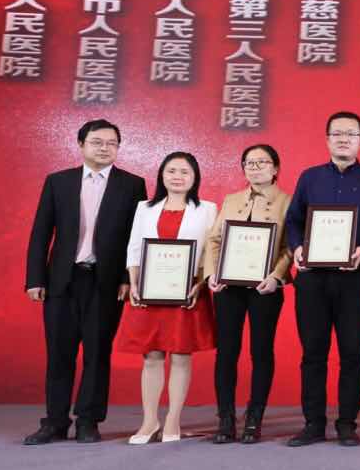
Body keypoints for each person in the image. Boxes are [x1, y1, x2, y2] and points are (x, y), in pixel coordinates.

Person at [22, 119, 146, 445]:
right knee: (59, 354)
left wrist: (127, 277)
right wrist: (35, 278)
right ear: (81, 145)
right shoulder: (58, 182)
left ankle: (89, 421)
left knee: (98, 353)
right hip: (62, 281)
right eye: (97, 142)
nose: (104, 148)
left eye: (111, 143)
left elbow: (136, 237)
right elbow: (41, 232)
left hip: (106, 283)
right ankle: (55, 422)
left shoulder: (132, 185)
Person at [282, 111, 360, 447]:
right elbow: (294, 220)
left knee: (352, 352)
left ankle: (346, 424)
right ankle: (313, 423)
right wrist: (298, 248)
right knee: (313, 352)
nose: (344, 139)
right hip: (312, 278)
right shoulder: (310, 178)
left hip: (353, 277)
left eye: (351, 134)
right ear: (327, 139)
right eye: (337, 133)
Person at [120, 152, 218, 444]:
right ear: (161, 175)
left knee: (181, 354)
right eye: (171, 171)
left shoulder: (207, 209)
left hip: (187, 291)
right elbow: (134, 247)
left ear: (195, 177)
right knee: (151, 356)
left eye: (185, 172)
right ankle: (149, 422)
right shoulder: (144, 208)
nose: (177, 177)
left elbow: (210, 252)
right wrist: (134, 283)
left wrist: (200, 285)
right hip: (149, 291)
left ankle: (173, 421)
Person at [202, 144, 293, 444]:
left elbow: (290, 247)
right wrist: (212, 273)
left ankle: (255, 417)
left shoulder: (288, 202)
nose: (255, 168)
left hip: (265, 288)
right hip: (228, 287)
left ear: (275, 168)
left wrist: (276, 276)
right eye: (249, 163)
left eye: (262, 162)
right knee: (226, 352)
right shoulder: (231, 200)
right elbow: (214, 240)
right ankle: (225, 419)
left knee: (261, 351)